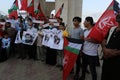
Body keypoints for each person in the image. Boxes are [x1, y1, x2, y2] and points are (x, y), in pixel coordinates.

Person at [101, 14, 120, 80]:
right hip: (106, 61)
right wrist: (104, 49)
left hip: (117, 64)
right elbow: (104, 40)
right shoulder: (112, 29)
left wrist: (115, 53)